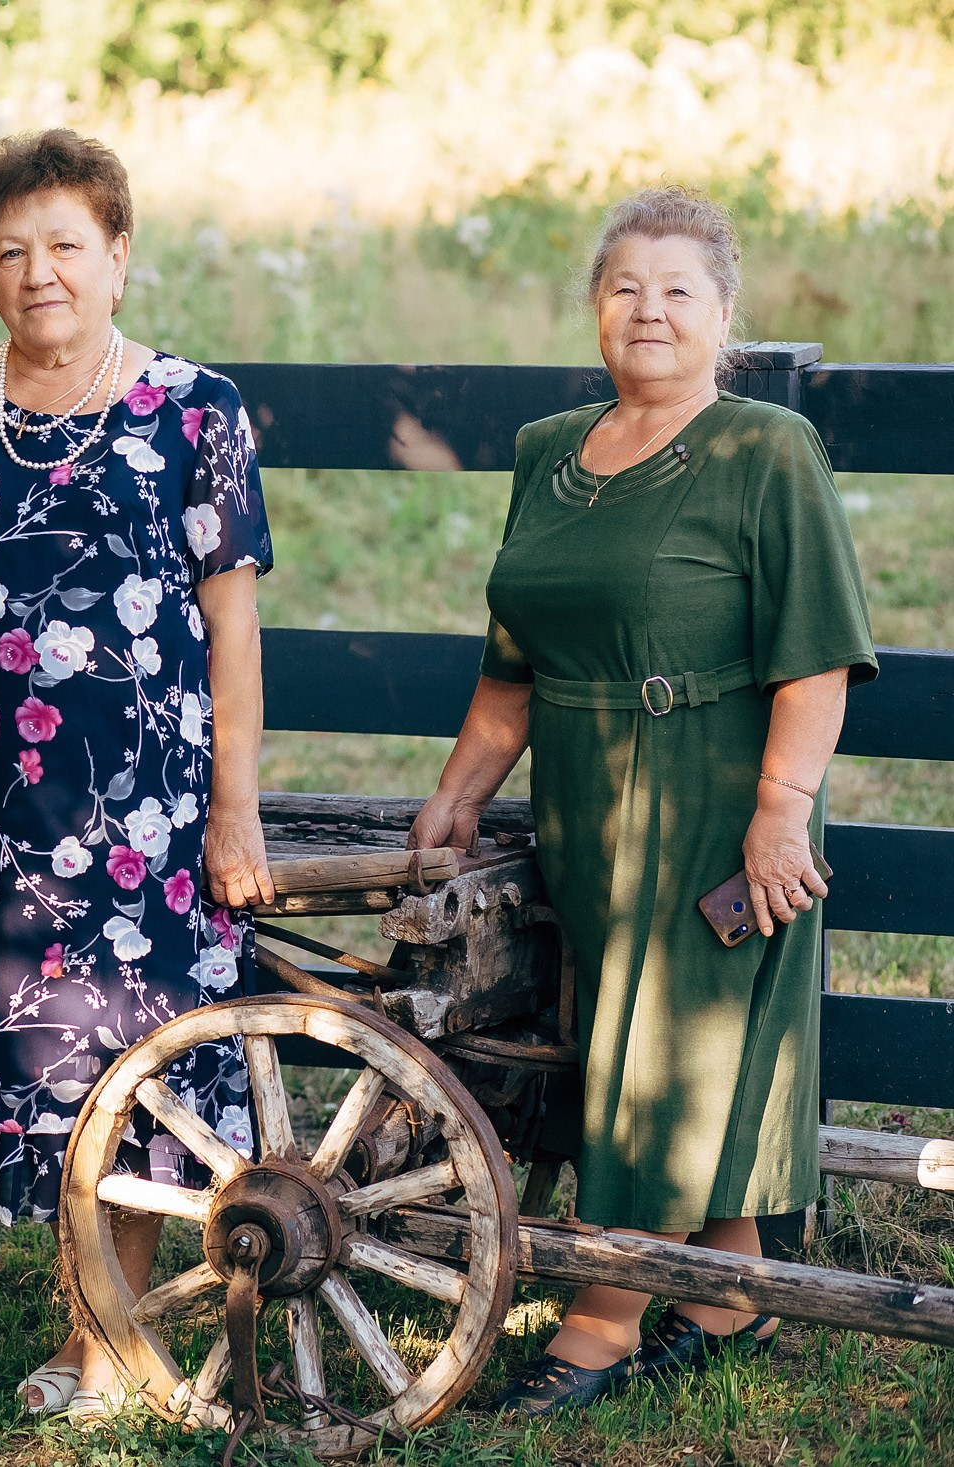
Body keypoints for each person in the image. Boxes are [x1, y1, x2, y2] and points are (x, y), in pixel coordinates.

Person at [407, 186, 877, 1415]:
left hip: (720, 798)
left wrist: (780, 810)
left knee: (663, 1049)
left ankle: (601, 1315)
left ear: (722, 315)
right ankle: (726, 1292)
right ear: (594, 309)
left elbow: (817, 659)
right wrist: (457, 797)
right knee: (621, 1036)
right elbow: (508, 665)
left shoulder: (763, 449)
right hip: (584, 794)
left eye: (678, 290)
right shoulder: (545, 454)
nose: (649, 309)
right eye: (625, 287)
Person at [0, 130, 275, 1422]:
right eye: (10, 249)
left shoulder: (195, 408)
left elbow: (232, 624)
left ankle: (104, 1335)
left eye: (65, 244)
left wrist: (235, 806)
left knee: (139, 1063)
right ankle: (93, 1317)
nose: (39, 271)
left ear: (117, 254)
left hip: (147, 811)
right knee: (43, 1063)